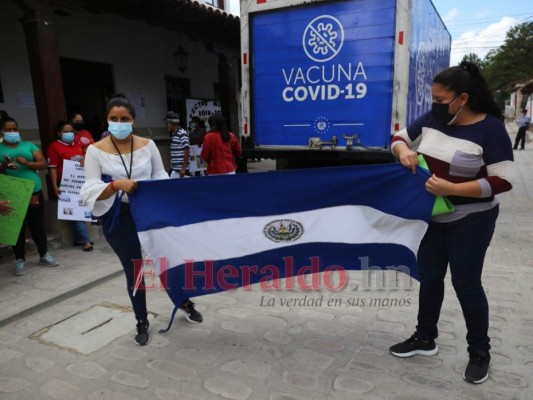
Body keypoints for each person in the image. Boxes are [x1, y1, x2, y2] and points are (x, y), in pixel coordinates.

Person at [389, 62, 513, 384]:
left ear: (463, 98)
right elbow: (398, 138)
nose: (435, 106)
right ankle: (424, 338)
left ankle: (479, 352)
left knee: (466, 284)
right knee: (430, 279)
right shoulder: (433, 119)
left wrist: (454, 189)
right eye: (433, 99)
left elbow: (502, 181)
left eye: (441, 100)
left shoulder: (490, 128)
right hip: (433, 217)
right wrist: (404, 152)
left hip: (472, 220)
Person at [80, 94, 203, 346]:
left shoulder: (148, 145)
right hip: (118, 216)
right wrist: (115, 185)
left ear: (133, 119)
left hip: (150, 211)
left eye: (124, 118)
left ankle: (184, 301)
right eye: (113, 119)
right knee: (134, 269)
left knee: (167, 260)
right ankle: (141, 319)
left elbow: (160, 175)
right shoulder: (95, 150)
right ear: (107, 121)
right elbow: (89, 188)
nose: (119, 123)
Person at [0, 117, 59, 276]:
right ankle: (20, 259)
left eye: (15, 129)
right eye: (9, 130)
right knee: (17, 228)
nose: (12, 132)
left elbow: (43, 164)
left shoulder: (28, 146)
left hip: (33, 192)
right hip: (12, 195)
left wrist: (27, 163)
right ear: (2, 132)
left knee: (37, 226)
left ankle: (44, 254)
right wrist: (4, 166)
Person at [47, 121, 93, 251]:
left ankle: (80, 238)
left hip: (80, 182)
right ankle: (86, 241)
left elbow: (84, 161)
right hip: (66, 184)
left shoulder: (78, 144)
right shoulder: (54, 147)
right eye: (65, 131)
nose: (69, 133)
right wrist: (54, 185)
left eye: (71, 131)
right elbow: (53, 168)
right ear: (59, 133)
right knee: (76, 212)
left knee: (82, 211)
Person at [167, 111, 190, 179]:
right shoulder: (174, 134)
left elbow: (187, 150)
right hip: (174, 169)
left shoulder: (182, 133)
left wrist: (183, 168)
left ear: (170, 124)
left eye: (167, 123)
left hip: (181, 171)